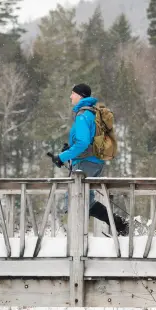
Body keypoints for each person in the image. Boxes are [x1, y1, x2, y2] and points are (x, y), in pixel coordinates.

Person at [48, 83, 128, 236]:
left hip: (85, 163)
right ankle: (118, 225)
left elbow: (83, 142)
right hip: (94, 162)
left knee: (75, 199)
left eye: (72, 93)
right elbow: (86, 141)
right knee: (85, 200)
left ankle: (76, 240)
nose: (70, 96)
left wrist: (62, 156)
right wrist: (69, 151)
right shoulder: (91, 113)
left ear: (80, 96)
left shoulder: (82, 115)